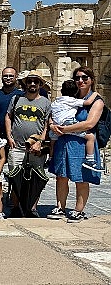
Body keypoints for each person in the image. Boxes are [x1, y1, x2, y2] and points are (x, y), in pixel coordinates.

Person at [48, 66, 105, 222]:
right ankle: (60, 207)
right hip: (63, 141)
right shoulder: (69, 97)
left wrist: (65, 129)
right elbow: (53, 114)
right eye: (77, 78)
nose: (81, 81)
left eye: (85, 78)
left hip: (81, 144)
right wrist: (52, 125)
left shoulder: (96, 100)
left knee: (81, 178)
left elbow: (89, 124)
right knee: (61, 176)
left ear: (91, 80)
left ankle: (78, 210)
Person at [4, 70, 51, 217]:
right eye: (29, 81)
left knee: (36, 178)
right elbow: (8, 116)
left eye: (35, 82)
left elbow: (46, 124)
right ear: (25, 83)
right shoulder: (16, 99)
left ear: (39, 85)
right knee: (15, 177)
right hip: (17, 146)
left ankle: (32, 208)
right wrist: (9, 136)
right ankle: (16, 207)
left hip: (36, 147)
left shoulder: (45, 102)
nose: (32, 84)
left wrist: (41, 142)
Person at [48, 80, 100, 171]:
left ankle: (50, 159)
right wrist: (95, 93)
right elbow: (88, 102)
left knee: (53, 143)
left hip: (56, 126)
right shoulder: (72, 100)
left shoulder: (55, 102)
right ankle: (90, 160)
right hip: (68, 124)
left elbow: (51, 114)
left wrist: (51, 124)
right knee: (90, 137)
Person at [0, 67, 24, 139]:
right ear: (1, 77)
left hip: (17, 136)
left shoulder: (22, 96)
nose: (8, 78)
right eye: (5, 76)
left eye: (11, 76)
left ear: (16, 77)